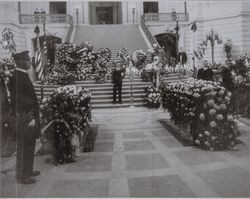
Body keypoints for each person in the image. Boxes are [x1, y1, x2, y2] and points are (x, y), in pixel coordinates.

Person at [8, 51, 41, 184]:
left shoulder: (22, 75)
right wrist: (30, 118)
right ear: (20, 61)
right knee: (24, 147)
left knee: (30, 144)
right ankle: (22, 175)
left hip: (28, 115)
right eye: (27, 60)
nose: (29, 62)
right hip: (25, 117)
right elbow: (20, 100)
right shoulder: (17, 76)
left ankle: (28, 170)